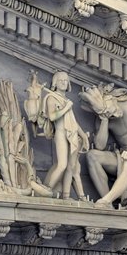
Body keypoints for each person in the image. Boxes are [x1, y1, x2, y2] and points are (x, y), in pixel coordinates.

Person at [40, 71, 90, 200]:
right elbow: (52, 116)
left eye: (66, 80)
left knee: (70, 167)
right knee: (62, 164)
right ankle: (47, 189)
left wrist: (83, 135)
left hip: (71, 133)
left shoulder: (66, 100)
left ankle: (66, 196)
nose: (63, 82)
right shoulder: (52, 98)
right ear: (55, 82)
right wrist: (66, 107)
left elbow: (73, 122)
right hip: (61, 134)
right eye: (60, 80)